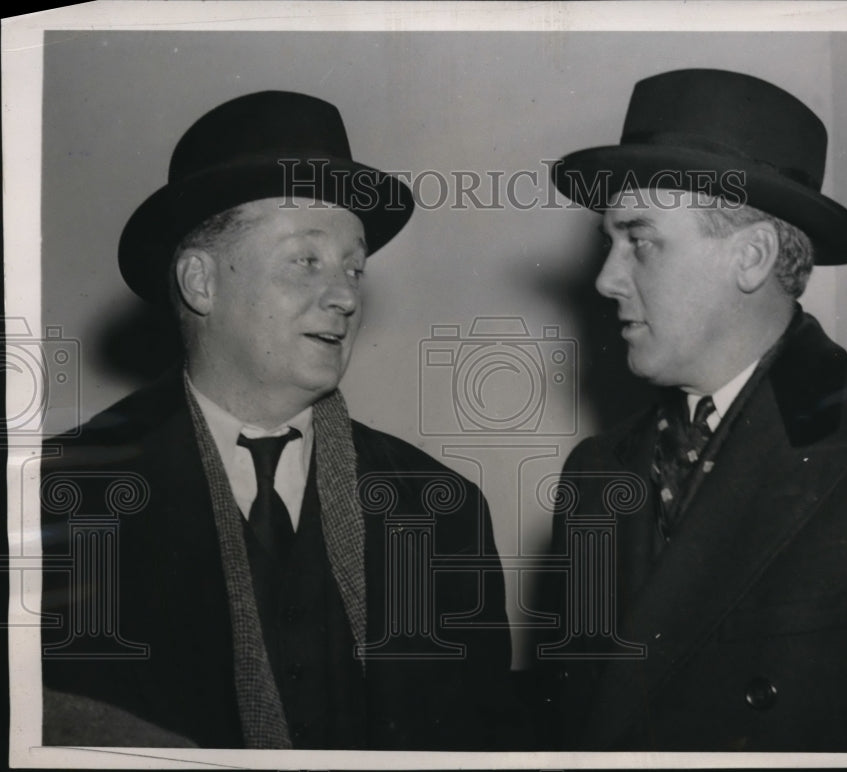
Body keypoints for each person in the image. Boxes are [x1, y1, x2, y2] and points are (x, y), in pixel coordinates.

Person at [41, 90, 512, 749]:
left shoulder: (445, 513)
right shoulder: (55, 504)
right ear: (200, 283)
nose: (346, 295)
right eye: (306, 260)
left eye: (355, 267)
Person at [537, 69, 847, 751]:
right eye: (609, 242)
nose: (606, 277)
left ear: (751, 257)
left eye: (640, 239)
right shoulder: (594, 473)